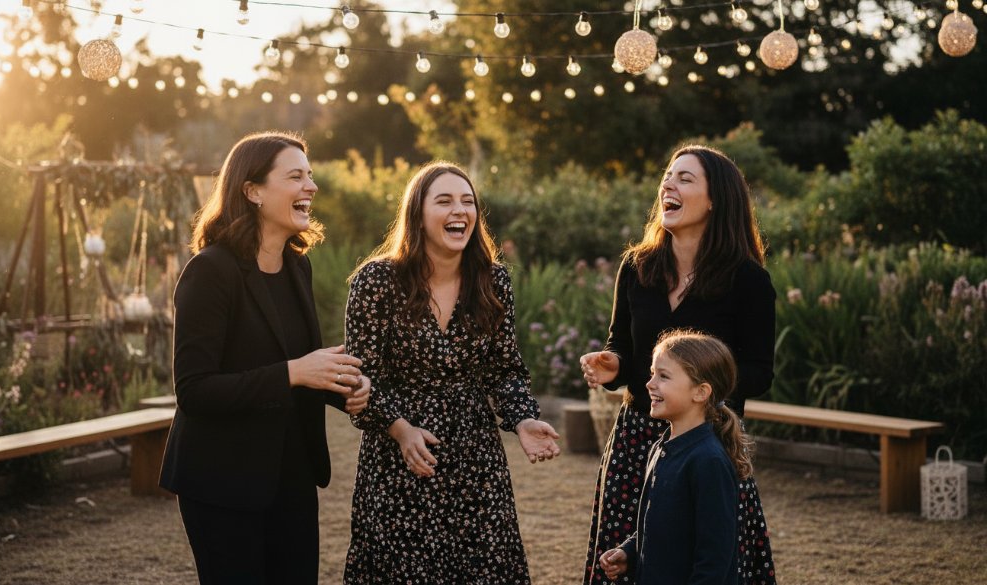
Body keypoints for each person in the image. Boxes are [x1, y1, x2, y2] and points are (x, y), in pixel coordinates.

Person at [158, 131, 371, 584]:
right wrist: (296, 371)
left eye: (310, 176)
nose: (310, 186)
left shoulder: (297, 265)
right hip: (222, 481)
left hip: (291, 476)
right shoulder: (210, 271)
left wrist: (343, 386)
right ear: (252, 191)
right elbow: (195, 391)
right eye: (295, 176)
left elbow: (294, 363)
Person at [342, 161, 561, 584]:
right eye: (444, 201)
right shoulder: (375, 282)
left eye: (467, 202)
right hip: (400, 460)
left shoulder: (493, 282)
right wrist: (399, 429)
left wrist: (523, 418)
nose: (459, 210)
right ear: (418, 216)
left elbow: (505, 369)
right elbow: (360, 378)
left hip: (476, 457)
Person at [581, 145, 777, 585]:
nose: (668, 184)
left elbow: (760, 372)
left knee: (706, 560)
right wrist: (612, 364)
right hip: (635, 440)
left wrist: (698, 386)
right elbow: (624, 348)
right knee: (623, 560)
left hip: (708, 439)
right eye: (668, 176)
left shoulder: (748, 280)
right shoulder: (637, 266)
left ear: (715, 199)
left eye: (685, 178)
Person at [598, 330, 752, 584]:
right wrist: (630, 552)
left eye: (664, 376)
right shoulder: (661, 447)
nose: (650, 384)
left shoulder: (708, 461)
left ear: (701, 392)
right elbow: (662, 524)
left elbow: (715, 557)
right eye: (652, 373)